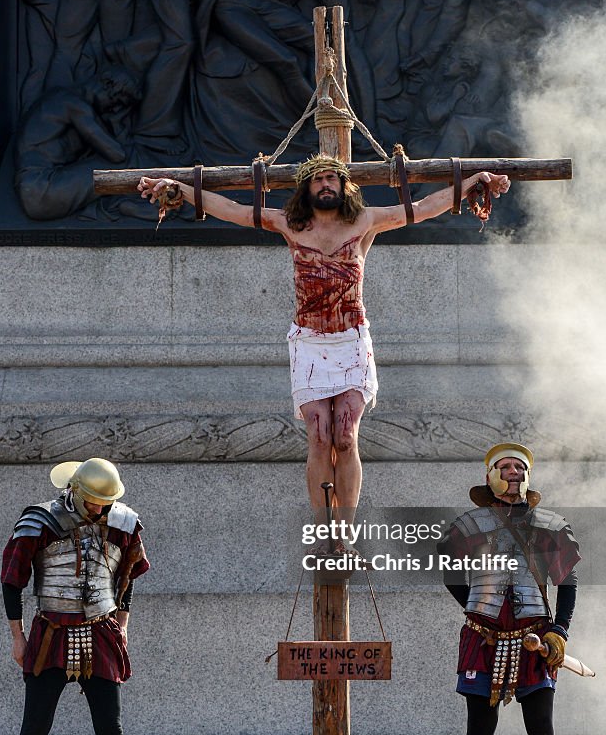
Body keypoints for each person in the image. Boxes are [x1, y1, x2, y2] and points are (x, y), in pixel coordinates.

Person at [138, 159, 510, 513]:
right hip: (310, 342)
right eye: (318, 179)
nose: (326, 184)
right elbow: (232, 210)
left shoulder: (365, 220)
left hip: (351, 341)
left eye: (333, 178)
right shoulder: (290, 224)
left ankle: (344, 532)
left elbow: (425, 206)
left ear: (344, 186)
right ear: (307, 188)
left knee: (345, 437)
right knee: (319, 436)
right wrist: (181, 189)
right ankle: (323, 527)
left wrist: (473, 181)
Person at [438, 442, 583, 735]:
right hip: (482, 639)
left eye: (520, 466)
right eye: (505, 466)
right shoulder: (468, 526)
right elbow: (450, 570)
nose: (514, 472)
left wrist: (559, 630)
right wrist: (474, 609)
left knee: (541, 728)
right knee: (479, 730)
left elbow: (567, 581)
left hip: (534, 640)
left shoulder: (550, 525)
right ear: (489, 474)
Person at [1, 458, 150, 735]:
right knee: (34, 727)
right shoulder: (39, 521)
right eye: (95, 502)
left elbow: (128, 573)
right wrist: (17, 636)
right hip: (51, 630)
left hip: (101, 630)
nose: (101, 509)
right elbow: (12, 580)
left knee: (109, 728)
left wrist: (124, 626)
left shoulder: (123, 522)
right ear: (77, 492)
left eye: (106, 502)